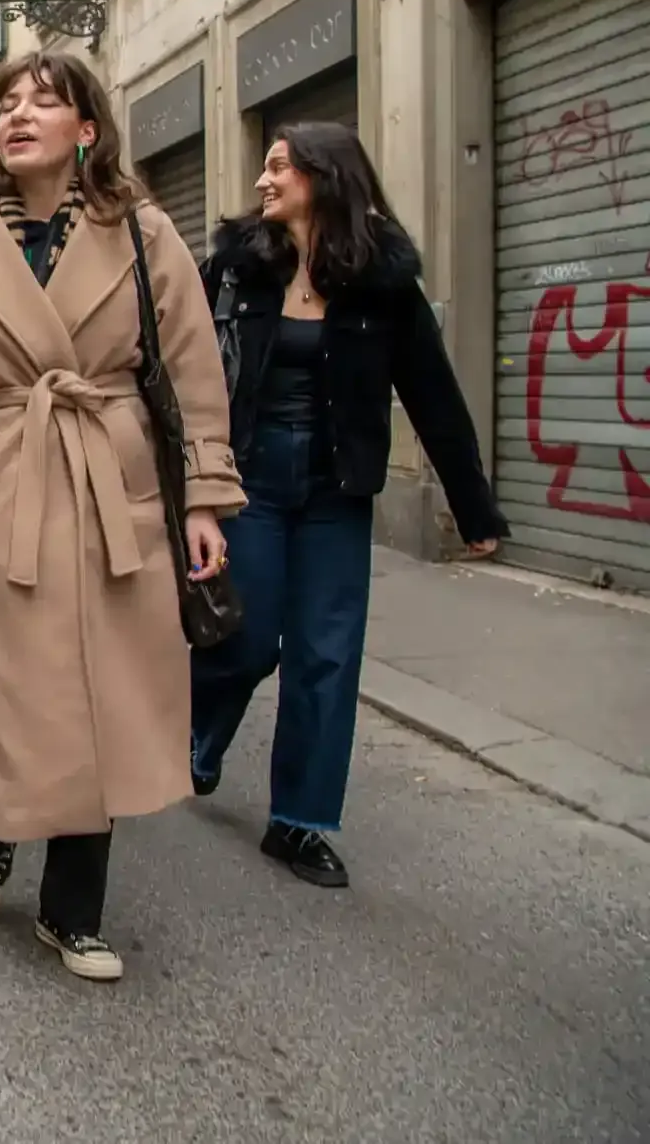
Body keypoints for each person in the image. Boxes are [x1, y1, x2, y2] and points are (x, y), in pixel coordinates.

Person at [0, 52, 242, 982]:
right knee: (23, 686)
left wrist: (205, 496)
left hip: (114, 477)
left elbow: (196, 372)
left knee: (106, 697)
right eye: (6, 100)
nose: (20, 112)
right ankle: (3, 824)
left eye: (45, 99)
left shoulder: (145, 231)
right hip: (14, 473)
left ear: (87, 129)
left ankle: (73, 910)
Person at [189, 122, 506, 888]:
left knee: (327, 655)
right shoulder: (235, 268)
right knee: (248, 636)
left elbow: (433, 393)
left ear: (324, 177)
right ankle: (201, 731)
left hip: (338, 488)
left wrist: (475, 511)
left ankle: (299, 822)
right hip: (251, 481)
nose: (263, 182)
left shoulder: (383, 280)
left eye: (278, 168)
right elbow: (185, 367)